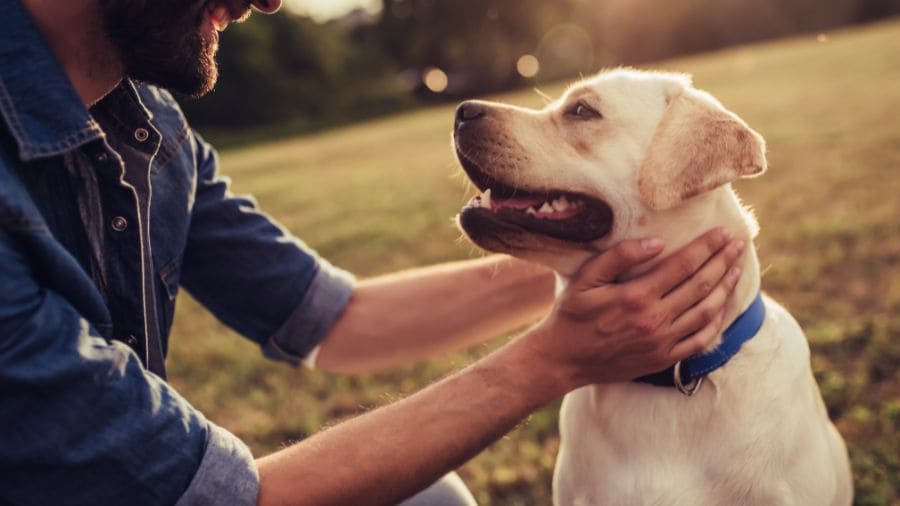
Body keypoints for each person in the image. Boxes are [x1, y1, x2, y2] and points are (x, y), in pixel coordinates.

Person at [0, 0, 745, 504]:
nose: (270, 1)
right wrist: (557, 358)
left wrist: (614, 257)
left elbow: (339, 319)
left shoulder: (148, 129)